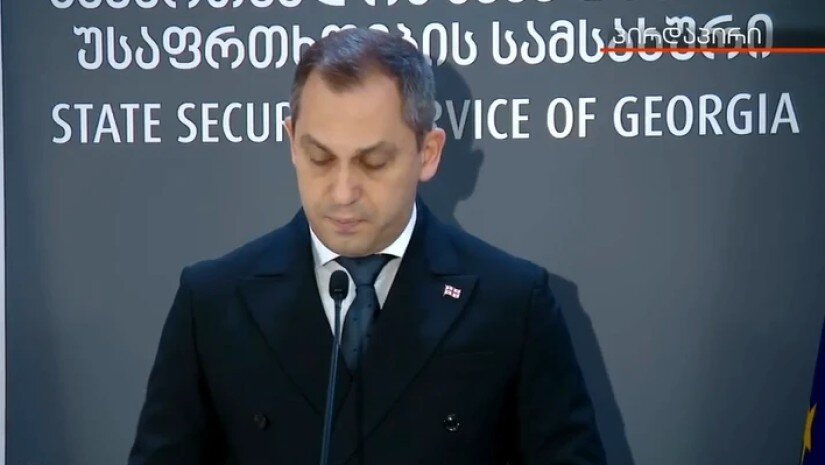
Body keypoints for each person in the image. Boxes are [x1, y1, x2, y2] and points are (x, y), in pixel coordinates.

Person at [128, 28, 606, 465]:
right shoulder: (212, 302)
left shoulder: (513, 303)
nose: (342, 192)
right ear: (292, 143)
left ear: (428, 153)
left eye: (373, 162)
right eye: (320, 158)